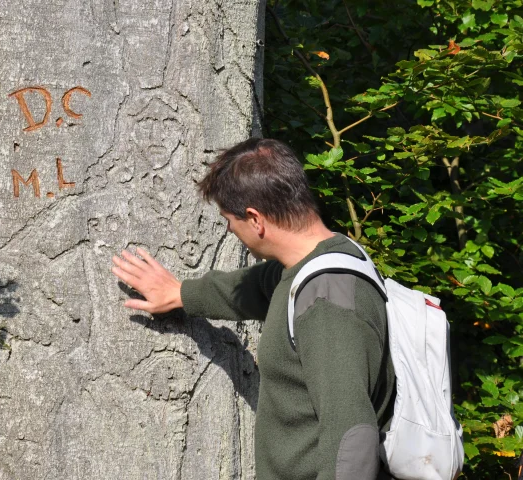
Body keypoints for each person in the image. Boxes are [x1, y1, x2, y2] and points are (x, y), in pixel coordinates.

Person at [111, 138, 395, 480]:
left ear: (255, 219)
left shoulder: (327, 302)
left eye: (230, 221)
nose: (230, 230)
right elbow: (253, 289)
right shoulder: (316, 264)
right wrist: (179, 293)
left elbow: (351, 438)